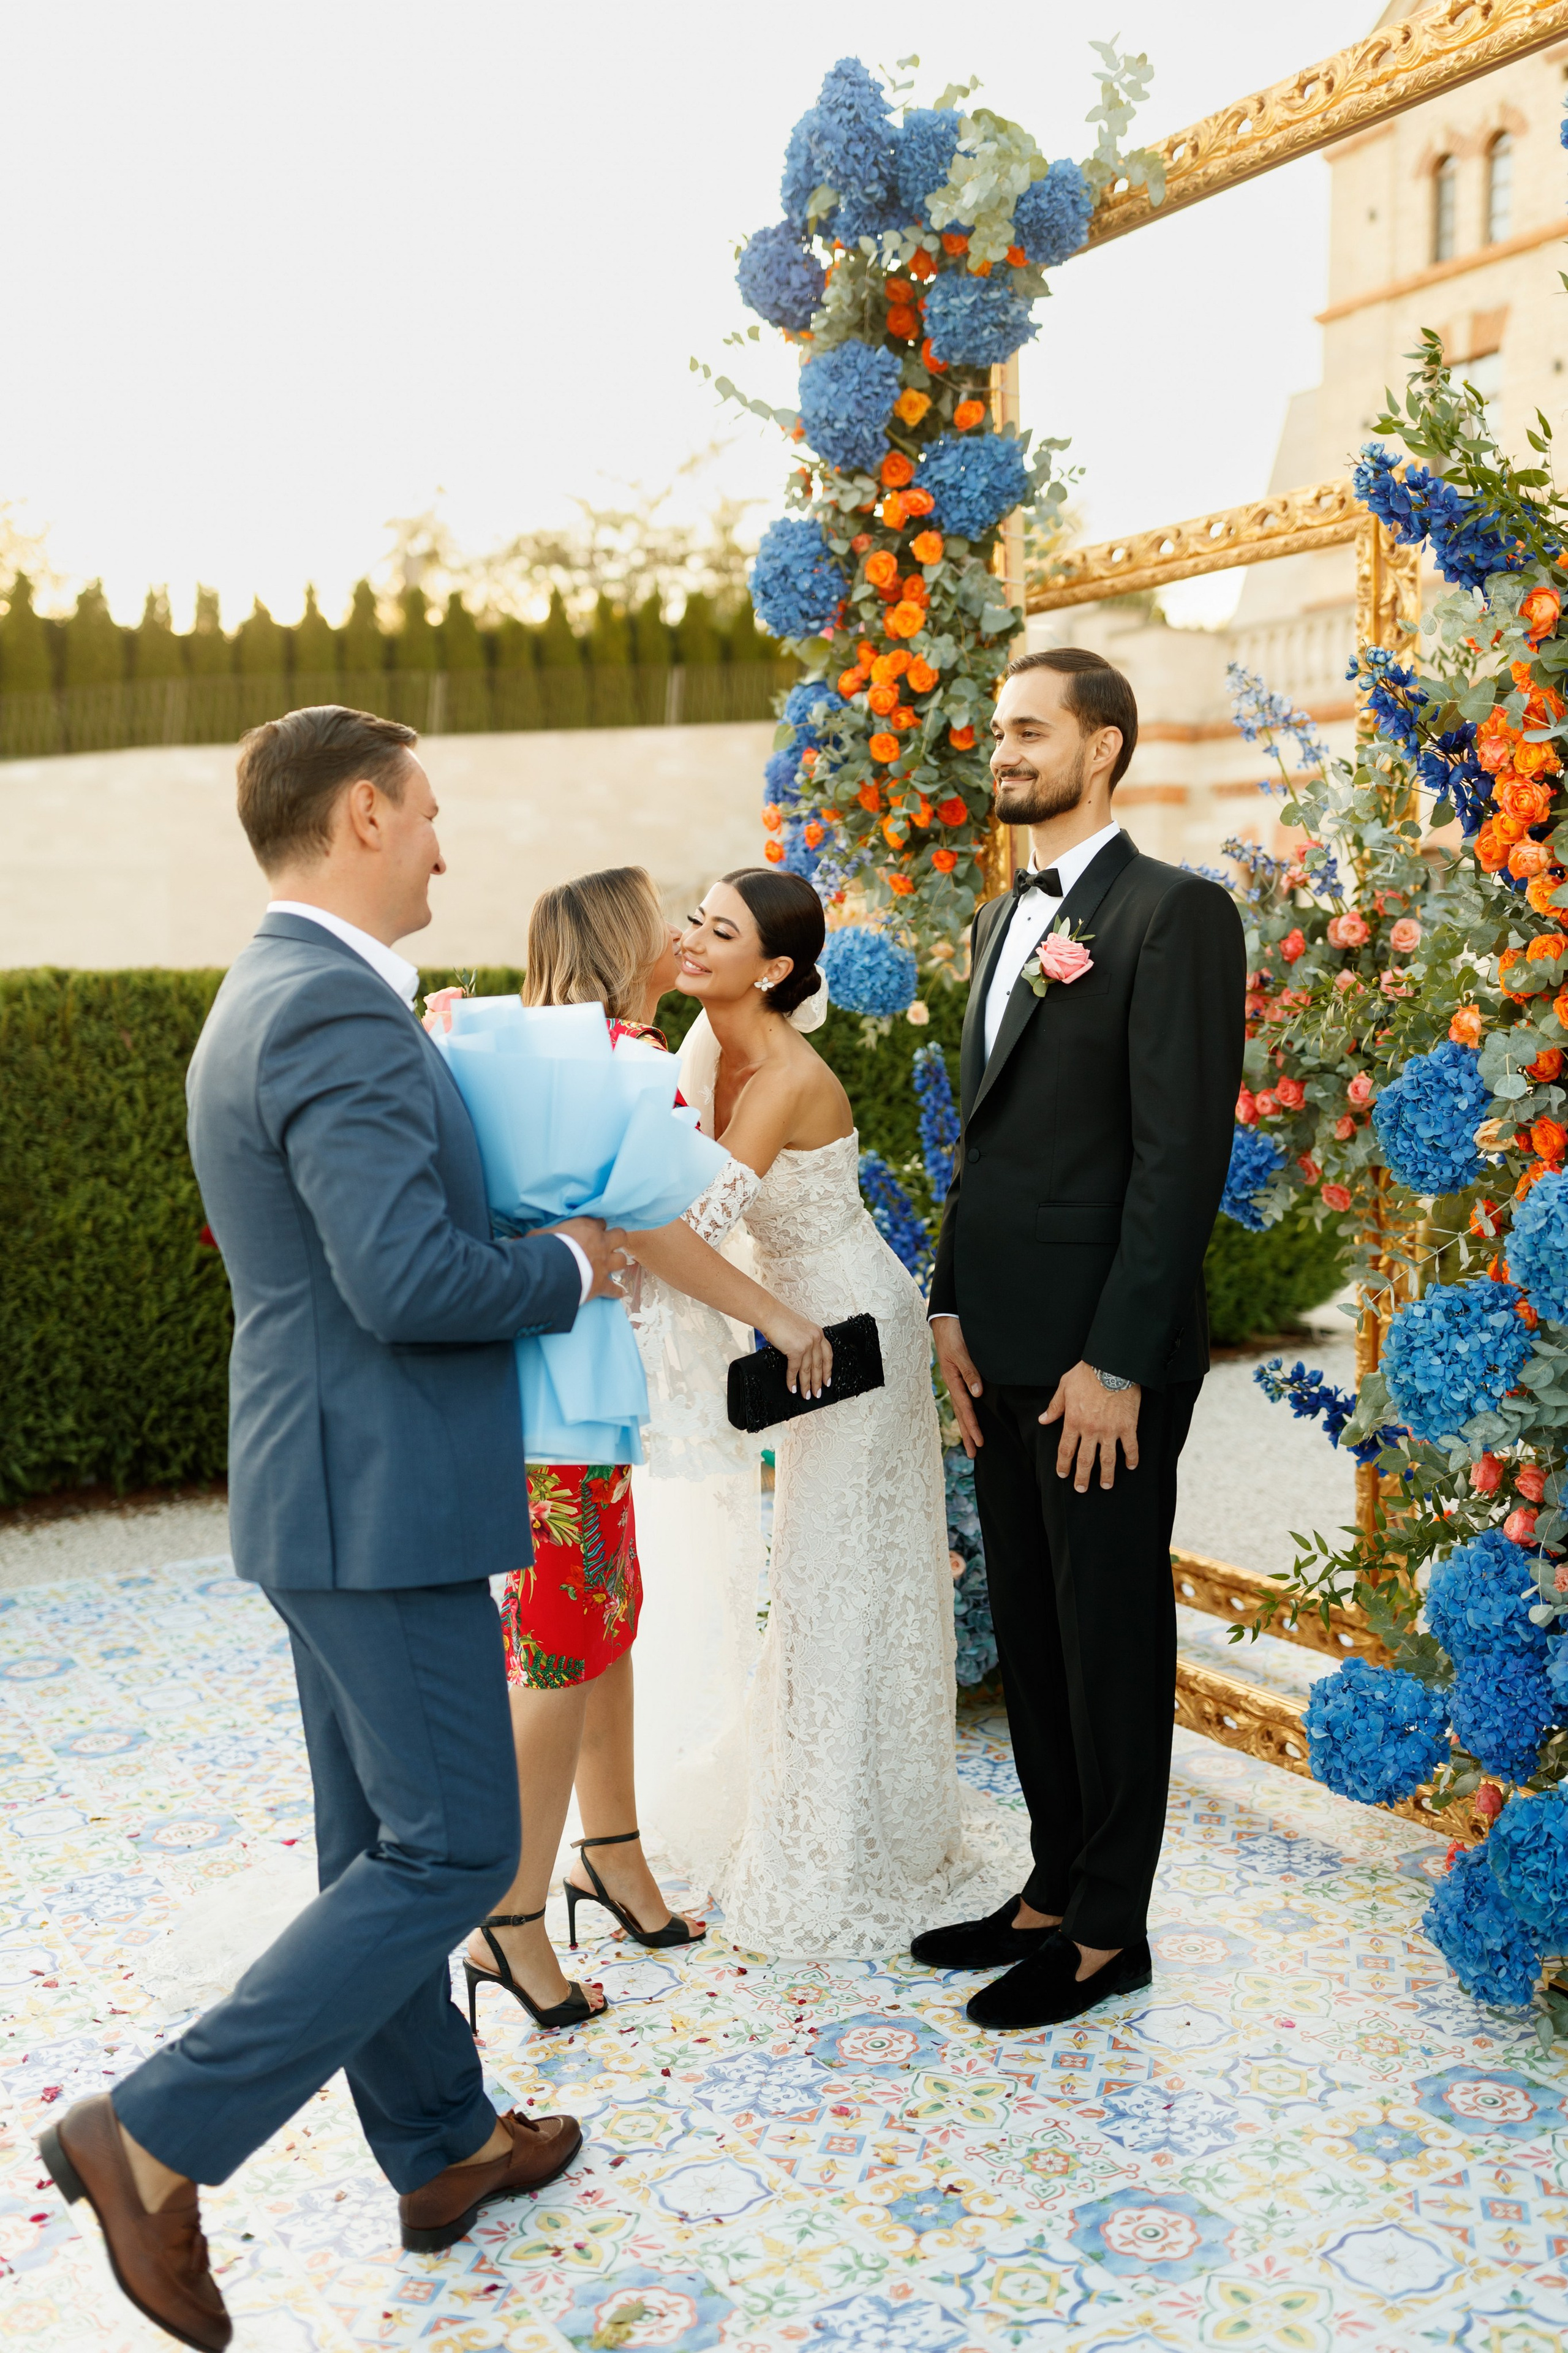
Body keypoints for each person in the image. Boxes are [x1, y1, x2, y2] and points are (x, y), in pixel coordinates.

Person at [37, 706, 628, 2352]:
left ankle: (440, 2144)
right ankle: (149, 2136)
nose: (446, 843)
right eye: (430, 811)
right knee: (448, 1848)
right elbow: (408, 1280)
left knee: (378, 1839)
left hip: (329, 1487)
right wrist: (576, 1261)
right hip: (376, 1498)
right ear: (365, 812)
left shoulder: (274, 994)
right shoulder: (332, 1016)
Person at [916, 647, 1245, 2031]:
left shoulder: (1174, 914)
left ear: (1100, 748)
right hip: (998, 1341)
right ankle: (1052, 1885)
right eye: (996, 729)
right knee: (1039, 1637)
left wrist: (1115, 1362)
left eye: (1028, 729)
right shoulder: (1003, 921)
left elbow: (1178, 1161)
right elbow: (985, 1143)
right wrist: (946, 1302)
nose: (1001, 749)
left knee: (1105, 1634)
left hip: (1100, 1361)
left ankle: (1111, 1930)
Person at [464, 867, 834, 2029]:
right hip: (566, 1400)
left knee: (597, 1622)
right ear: (625, 945)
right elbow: (673, 1227)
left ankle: (610, 1855)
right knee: (558, 1651)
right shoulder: (621, 1066)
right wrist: (778, 1315)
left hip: (518, 1388)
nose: (679, 936)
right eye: (664, 922)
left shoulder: (502, 1046)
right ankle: (511, 1918)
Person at [671, 866, 979, 1957]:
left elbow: (689, 1222)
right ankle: (826, 1810)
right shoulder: (707, 1047)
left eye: (721, 931)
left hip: (849, 1335)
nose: (693, 940)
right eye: (694, 921)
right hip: (795, 1327)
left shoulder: (784, 1075)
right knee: (813, 1569)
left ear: (778, 968)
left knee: (837, 1575)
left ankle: (844, 1849)